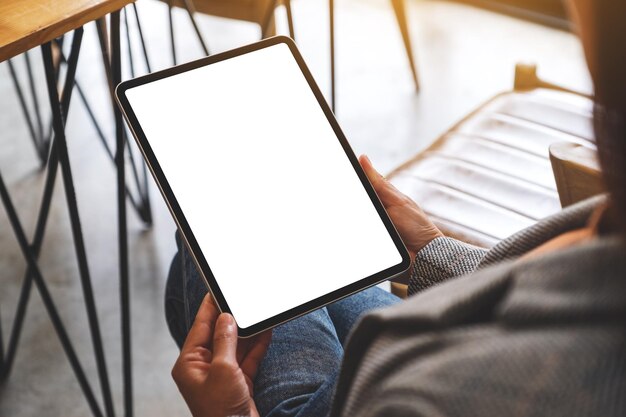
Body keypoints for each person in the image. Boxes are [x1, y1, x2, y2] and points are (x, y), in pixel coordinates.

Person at [165, 0, 626, 415]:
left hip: (389, 381)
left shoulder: (426, 398)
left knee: (214, 241)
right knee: (239, 258)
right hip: (449, 329)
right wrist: (431, 250)